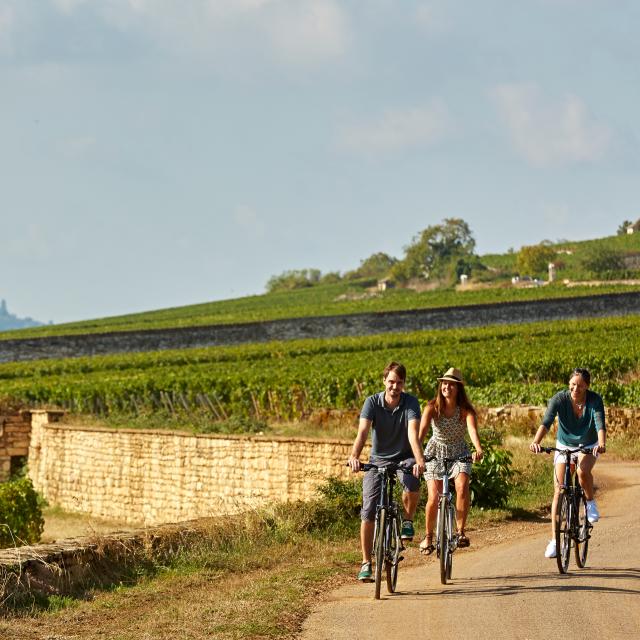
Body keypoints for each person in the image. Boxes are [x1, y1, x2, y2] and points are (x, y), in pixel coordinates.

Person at [348, 361, 425, 582]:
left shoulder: (410, 402)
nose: (394, 386)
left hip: (404, 457)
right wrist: (354, 456)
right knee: (369, 509)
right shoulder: (372, 402)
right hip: (378, 459)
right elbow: (363, 432)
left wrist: (419, 461)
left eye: (399, 383)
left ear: (404, 384)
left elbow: (413, 433)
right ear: (384, 381)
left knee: (412, 482)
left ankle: (407, 521)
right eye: (391, 381)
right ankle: (366, 562)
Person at [529, 367, 606, 558]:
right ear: (568, 384)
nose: (575, 389)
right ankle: (555, 540)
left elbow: (599, 423)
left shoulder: (595, 400)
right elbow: (546, 422)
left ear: (587, 386)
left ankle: (590, 503)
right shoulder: (559, 399)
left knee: (581, 472)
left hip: (589, 443)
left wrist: (601, 443)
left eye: (580, 386)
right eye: (572, 384)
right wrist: (536, 442)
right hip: (564, 444)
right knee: (559, 489)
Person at [418, 367, 483, 554]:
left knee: (462, 485)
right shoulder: (432, 407)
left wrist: (478, 448)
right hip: (434, 452)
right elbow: (421, 434)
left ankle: (460, 532)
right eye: (444, 383)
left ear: (458, 389)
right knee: (434, 496)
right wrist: (418, 454)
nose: (447, 387)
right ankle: (429, 537)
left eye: (452, 385)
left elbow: (472, 431)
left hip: (459, 452)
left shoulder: (466, 410)